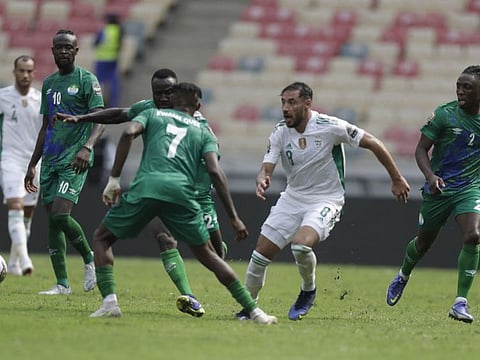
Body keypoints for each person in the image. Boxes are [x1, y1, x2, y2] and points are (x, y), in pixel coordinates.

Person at [88, 82, 277, 324]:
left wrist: (114, 178)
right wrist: (234, 216)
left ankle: (109, 303)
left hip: (148, 187)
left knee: (102, 238)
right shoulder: (202, 130)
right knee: (209, 255)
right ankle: (255, 312)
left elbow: (126, 132)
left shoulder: (152, 113)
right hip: (183, 193)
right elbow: (215, 171)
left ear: (172, 100)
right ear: (198, 105)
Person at [57, 68, 227, 317]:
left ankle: (224, 261)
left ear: (178, 92)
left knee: (216, 254)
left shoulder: (195, 120)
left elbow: (213, 157)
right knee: (164, 238)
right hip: (160, 188)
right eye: (158, 93)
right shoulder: (148, 109)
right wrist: (83, 117)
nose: (163, 97)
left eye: (168, 92)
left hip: (196, 192)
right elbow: (120, 114)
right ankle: (189, 296)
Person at [236, 82, 410, 321]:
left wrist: (397, 177)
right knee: (259, 257)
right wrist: (262, 178)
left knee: (300, 245)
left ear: (307, 103)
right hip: (292, 198)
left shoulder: (330, 126)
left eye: (292, 102)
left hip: (326, 200)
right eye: (283, 102)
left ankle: (308, 289)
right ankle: (249, 306)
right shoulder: (279, 131)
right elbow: (267, 166)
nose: (285, 108)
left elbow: (372, 142)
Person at [386, 65, 480, 324]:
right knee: (423, 243)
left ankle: (460, 302)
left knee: (473, 235)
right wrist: (430, 177)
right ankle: (404, 274)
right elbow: (420, 150)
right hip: (439, 188)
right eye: (459, 85)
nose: (460, 90)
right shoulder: (444, 115)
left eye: (467, 87)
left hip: (469, 187)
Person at [24, 29, 105, 295]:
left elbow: (100, 120)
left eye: (68, 47)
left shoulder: (86, 80)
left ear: (76, 51)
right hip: (51, 160)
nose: (63, 51)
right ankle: (62, 284)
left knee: (61, 214)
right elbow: (46, 126)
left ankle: (90, 259)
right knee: (53, 221)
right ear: (52, 50)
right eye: (58, 47)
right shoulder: (48, 83)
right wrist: (33, 163)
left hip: (75, 159)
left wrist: (87, 147)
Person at [0, 55, 42, 276]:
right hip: (10, 159)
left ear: (34, 73)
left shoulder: (40, 99)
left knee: (27, 215)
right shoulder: (3, 97)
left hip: (34, 162)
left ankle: (15, 262)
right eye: (21, 70)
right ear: (14, 72)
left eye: (29, 71)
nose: (25, 75)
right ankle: (26, 262)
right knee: (15, 205)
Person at [94, 12, 123, 107]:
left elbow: (96, 42)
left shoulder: (105, 30)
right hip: (113, 59)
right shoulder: (119, 30)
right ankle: (113, 103)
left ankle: (96, 103)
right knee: (113, 82)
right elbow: (120, 44)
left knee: (97, 82)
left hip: (102, 59)